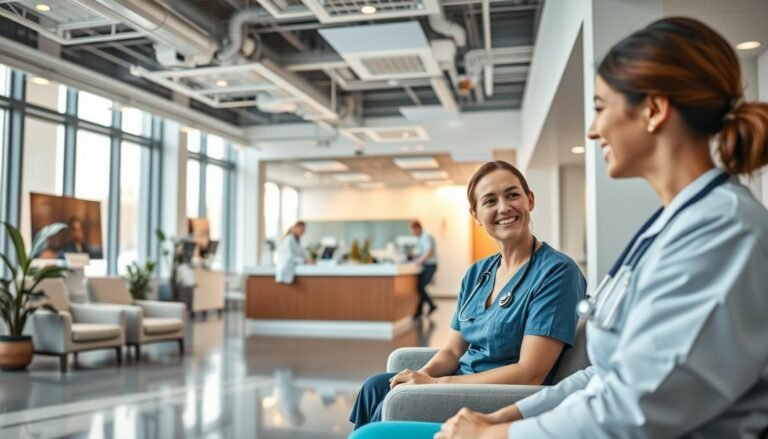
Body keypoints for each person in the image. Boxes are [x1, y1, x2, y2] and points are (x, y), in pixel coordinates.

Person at [350, 16, 768, 439]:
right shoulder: (671, 228)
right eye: (488, 202)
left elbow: (638, 409)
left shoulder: (723, 232)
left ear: (655, 110)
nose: (591, 130)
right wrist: (501, 417)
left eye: (601, 108)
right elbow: (597, 378)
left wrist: (497, 433)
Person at [349, 161, 587, 429]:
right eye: (490, 201)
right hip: (459, 379)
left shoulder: (556, 272)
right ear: (476, 215)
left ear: (529, 200)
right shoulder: (478, 273)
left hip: (497, 395)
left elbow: (530, 373)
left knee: (388, 407)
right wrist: (420, 376)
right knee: (374, 388)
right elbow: (452, 350)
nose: (504, 207)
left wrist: (437, 384)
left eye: (512, 195)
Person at [410, 220, 439, 318]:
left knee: (420, 287)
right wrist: (415, 255)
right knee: (420, 287)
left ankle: (431, 305)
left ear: (417, 228)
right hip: (426, 265)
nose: (412, 233)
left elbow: (429, 252)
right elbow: (422, 251)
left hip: (430, 265)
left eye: (413, 231)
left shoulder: (426, 236)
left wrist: (419, 261)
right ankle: (420, 311)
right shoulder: (420, 238)